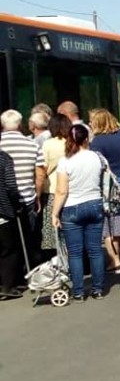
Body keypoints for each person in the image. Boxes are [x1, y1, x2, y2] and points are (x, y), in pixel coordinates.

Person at [51, 123, 106, 301]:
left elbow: (61, 191)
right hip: (95, 204)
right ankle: (98, 289)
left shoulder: (65, 161)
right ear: (86, 139)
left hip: (72, 208)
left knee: (75, 253)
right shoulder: (97, 157)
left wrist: (54, 213)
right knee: (95, 250)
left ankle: (79, 291)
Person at [0, 109, 46, 269]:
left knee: (6, 241)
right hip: (27, 197)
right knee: (29, 237)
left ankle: (11, 275)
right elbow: (40, 174)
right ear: (20, 125)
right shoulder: (31, 144)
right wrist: (38, 196)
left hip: (2, 200)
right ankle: (30, 270)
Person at [89, 108, 120, 273]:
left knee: (110, 224)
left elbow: (95, 165)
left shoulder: (98, 142)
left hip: (109, 187)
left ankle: (115, 261)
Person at [41, 113, 71, 256]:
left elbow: (43, 167)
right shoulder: (72, 142)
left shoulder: (48, 144)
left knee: (53, 231)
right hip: (71, 190)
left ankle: (58, 261)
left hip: (53, 189)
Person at [0, 149, 21, 299]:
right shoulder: (3, 157)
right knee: (8, 250)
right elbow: (11, 186)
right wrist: (16, 204)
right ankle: (7, 286)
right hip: (2, 210)